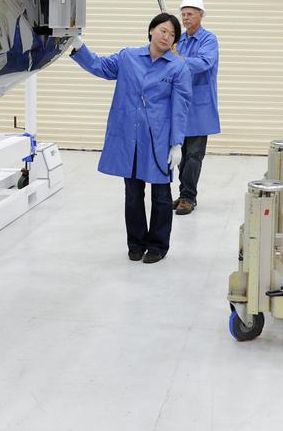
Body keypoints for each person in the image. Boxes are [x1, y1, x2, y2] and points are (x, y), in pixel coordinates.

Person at [70, 13, 192, 264]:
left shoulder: (178, 67)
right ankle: (136, 243)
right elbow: (100, 66)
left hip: (158, 140)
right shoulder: (128, 58)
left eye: (171, 34)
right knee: (133, 194)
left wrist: (177, 143)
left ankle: (158, 245)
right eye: (162, 30)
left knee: (160, 195)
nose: (166, 37)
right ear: (151, 31)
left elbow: (181, 107)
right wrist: (78, 44)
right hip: (130, 137)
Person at [173, 0, 220, 215]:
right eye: (183, 14)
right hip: (180, 106)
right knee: (180, 153)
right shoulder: (179, 41)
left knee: (193, 154)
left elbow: (204, 63)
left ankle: (188, 197)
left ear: (201, 15)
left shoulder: (208, 40)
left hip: (199, 107)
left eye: (190, 14)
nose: (185, 18)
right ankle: (184, 193)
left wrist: (178, 58)